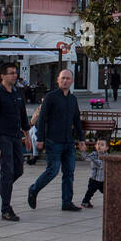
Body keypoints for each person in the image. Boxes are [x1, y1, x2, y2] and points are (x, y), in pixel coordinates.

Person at [28, 69, 83, 212]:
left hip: (68, 141)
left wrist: (81, 139)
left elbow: (76, 120)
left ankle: (67, 202)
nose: (65, 81)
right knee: (53, 170)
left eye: (68, 78)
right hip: (53, 140)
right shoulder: (51, 97)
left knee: (69, 173)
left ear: (72, 81)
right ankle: (34, 189)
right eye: (63, 78)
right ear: (58, 80)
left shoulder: (73, 99)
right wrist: (40, 138)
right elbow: (42, 118)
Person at [0, 63, 31, 221]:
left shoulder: (17, 93)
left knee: (18, 170)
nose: (14, 76)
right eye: (11, 73)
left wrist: (27, 136)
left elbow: (23, 115)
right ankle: (6, 209)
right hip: (3, 137)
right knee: (7, 172)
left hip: (16, 136)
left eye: (15, 73)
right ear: (2, 76)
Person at [81, 135, 108, 207]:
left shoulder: (107, 156)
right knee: (90, 191)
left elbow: (101, 165)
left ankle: (110, 202)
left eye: (102, 145)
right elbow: (86, 158)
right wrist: (83, 151)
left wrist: (93, 159)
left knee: (107, 192)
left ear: (106, 148)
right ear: (95, 146)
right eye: (98, 144)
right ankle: (85, 202)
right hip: (93, 179)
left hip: (103, 180)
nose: (99, 146)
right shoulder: (94, 154)